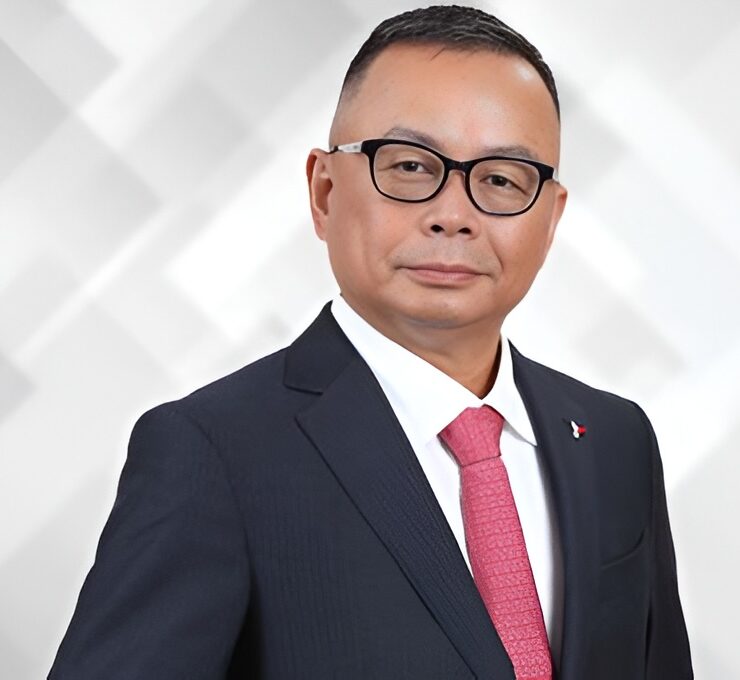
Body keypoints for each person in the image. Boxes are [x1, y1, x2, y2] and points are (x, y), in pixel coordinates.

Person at [48, 5, 693, 679]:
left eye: (502, 179)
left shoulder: (614, 440)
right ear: (324, 192)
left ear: (551, 217)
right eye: (410, 166)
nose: (454, 216)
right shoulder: (215, 453)